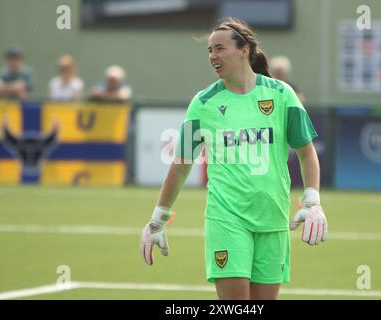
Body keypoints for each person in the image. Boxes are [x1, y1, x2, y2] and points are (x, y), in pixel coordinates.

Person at [140, 17, 328, 300]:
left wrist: (312, 201)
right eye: (210, 51)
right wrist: (157, 219)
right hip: (227, 219)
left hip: (273, 219)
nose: (213, 56)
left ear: (244, 50)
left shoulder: (281, 95)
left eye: (219, 48)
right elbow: (180, 166)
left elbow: (306, 152)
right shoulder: (203, 103)